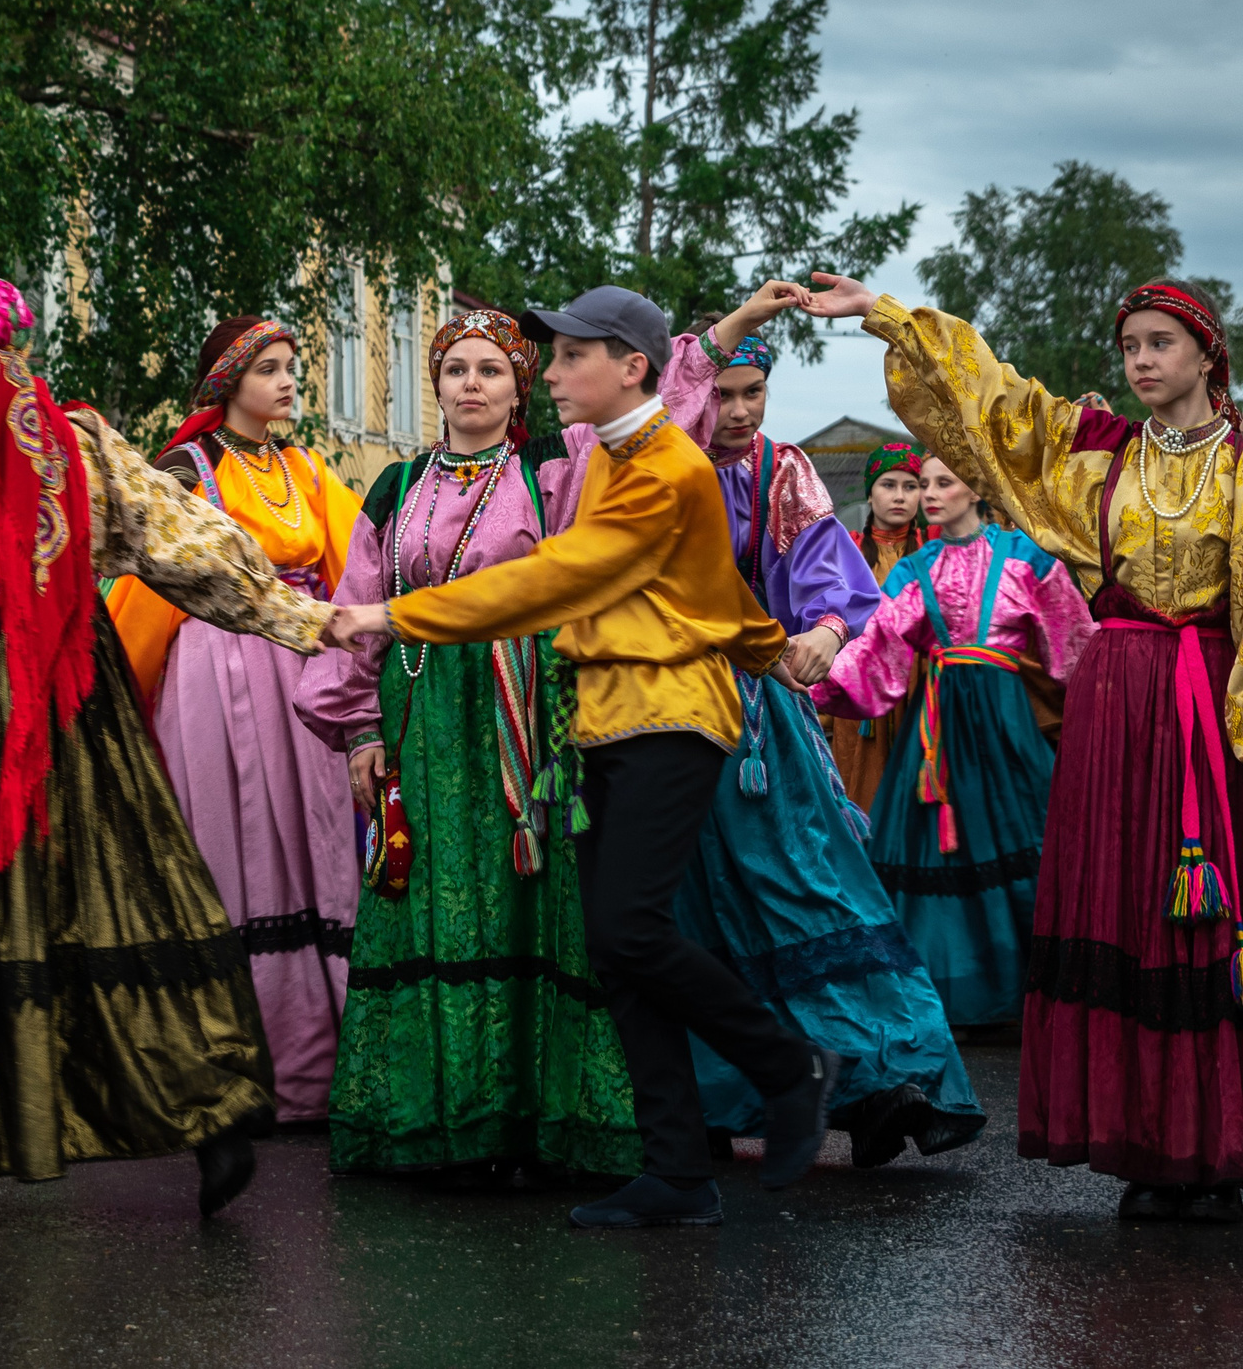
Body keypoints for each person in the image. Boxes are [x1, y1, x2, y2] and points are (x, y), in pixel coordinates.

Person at [0, 271, 374, 1220]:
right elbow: (192, 547)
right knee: (112, 892)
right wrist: (306, 621)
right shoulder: (81, 447)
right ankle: (207, 1112)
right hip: (72, 695)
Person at [372, 283, 831, 1231]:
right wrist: (771, 649)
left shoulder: (666, 466)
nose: (551, 371)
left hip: (669, 718)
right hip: (598, 722)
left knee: (629, 931)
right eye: (553, 354)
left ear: (631, 367)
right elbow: (714, 588)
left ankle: (789, 1066)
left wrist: (395, 615)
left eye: (571, 355)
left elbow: (561, 574)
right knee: (619, 951)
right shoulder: (606, 460)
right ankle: (678, 1172)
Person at [803, 271, 1243, 1219]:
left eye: (1161, 343)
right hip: (1119, 700)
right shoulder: (1098, 453)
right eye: (1130, 347)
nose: (1141, 362)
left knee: (1203, 918)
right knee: (1127, 910)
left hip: (1213, 700)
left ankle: (1219, 1149)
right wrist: (884, 314)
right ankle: (1150, 1149)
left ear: (1208, 354)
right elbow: (992, 401)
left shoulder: (1242, 461)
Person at [294, 306, 640, 1180]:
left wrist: (720, 335)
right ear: (437, 385)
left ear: (521, 388)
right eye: (456, 369)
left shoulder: (554, 471)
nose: (472, 384)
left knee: (531, 894)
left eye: (491, 370)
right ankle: (433, 1123)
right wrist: (359, 730)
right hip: (420, 714)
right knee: (424, 892)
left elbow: (649, 417)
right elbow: (357, 607)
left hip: (525, 712)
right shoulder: (396, 485)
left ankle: (529, 1123)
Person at [668, 288, 983, 1170]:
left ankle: (884, 1078)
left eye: (753, 394)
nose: (738, 412)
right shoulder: (652, 466)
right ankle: (709, 1101)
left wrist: (827, 632)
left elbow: (833, 583)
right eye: (722, 395)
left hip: (760, 723)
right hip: (663, 707)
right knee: (690, 906)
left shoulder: (785, 471)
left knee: (816, 887)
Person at [107, 318, 363, 1123]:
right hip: (214, 671)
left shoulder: (306, 468)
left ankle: (321, 1064)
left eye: (291, 368)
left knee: (316, 837)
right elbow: (146, 590)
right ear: (228, 381)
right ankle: (235, 1066)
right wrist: (118, 698)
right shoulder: (185, 471)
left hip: (303, 669)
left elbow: (362, 559)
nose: (288, 382)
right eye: (270, 369)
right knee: (231, 839)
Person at [813, 455, 1091, 1026]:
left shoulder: (1026, 558)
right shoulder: (916, 570)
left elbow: (1075, 647)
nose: (929, 493)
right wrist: (807, 680)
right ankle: (949, 999)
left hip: (1006, 726)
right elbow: (876, 652)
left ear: (978, 487)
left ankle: (1037, 996)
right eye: (924, 484)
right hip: (935, 734)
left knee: (1024, 837)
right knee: (936, 848)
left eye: (944, 482)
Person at [826, 443, 927, 813]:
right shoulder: (845, 550)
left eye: (910, 486)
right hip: (861, 694)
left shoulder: (935, 548)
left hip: (922, 692)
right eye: (888, 485)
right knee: (862, 794)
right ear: (870, 493)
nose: (899, 496)